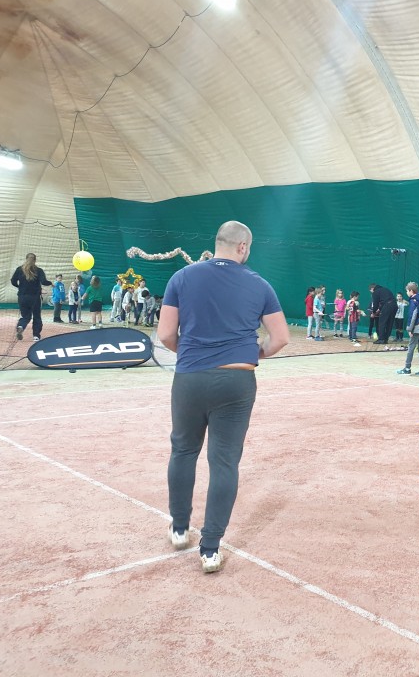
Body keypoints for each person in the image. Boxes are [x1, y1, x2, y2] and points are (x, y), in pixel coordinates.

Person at [159, 220, 289, 574]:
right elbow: (279, 338)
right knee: (224, 462)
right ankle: (211, 549)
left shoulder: (182, 278)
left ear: (217, 243)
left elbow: (166, 334)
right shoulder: (259, 284)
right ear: (243, 247)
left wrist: (189, 352)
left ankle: (180, 528)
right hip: (237, 381)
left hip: (189, 378)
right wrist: (251, 352)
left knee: (183, 450)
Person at [10, 253, 52, 341]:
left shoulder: (19, 269)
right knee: (37, 316)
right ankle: (36, 336)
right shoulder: (39, 270)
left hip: (22, 297)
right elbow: (44, 281)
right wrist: (51, 283)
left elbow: (13, 281)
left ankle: (21, 326)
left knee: (25, 316)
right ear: (35, 260)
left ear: (26, 259)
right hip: (35, 298)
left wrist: (20, 287)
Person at [397, 282, 419, 375]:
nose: (407, 293)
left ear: (411, 291)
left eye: (407, 291)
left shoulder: (413, 300)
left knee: (411, 348)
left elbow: (413, 316)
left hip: (417, 327)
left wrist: (409, 329)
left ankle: (407, 368)